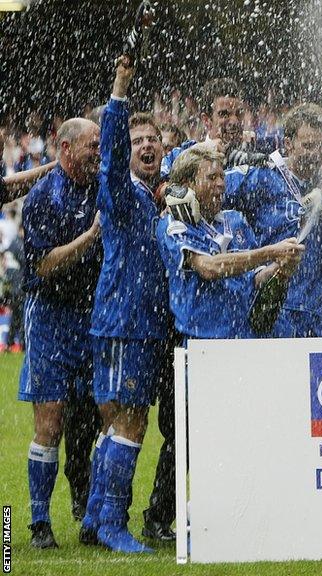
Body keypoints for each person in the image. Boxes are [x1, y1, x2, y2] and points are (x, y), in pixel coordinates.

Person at [78, 57, 175, 553]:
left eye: (153, 139)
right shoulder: (119, 189)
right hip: (125, 322)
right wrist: (119, 92)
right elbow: (111, 152)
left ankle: (95, 519)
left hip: (135, 323)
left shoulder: (153, 198)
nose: (148, 146)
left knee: (118, 420)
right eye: (138, 142)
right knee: (131, 419)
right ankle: (114, 522)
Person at [18, 117, 103, 549]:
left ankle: (91, 513)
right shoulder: (42, 198)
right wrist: (90, 237)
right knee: (50, 420)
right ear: (65, 149)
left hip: (92, 315)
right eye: (91, 146)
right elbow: (44, 266)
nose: (97, 152)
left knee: (94, 418)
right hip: (50, 314)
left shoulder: (101, 186)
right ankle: (36, 523)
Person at [157, 144, 304, 340]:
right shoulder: (174, 223)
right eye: (211, 177)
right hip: (204, 343)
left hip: (244, 341)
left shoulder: (235, 220)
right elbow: (209, 268)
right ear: (188, 184)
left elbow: (254, 279)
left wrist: (280, 268)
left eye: (222, 176)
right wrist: (271, 252)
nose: (221, 184)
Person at [225, 103, 322, 338]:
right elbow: (212, 189)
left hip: (315, 312)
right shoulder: (263, 175)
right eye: (308, 146)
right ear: (288, 144)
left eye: (321, 146)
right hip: (273, 308)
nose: (315, 153)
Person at [160, 78, 272, 178]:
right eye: (224, 114)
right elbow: (161, 186)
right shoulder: (187, 152)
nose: (234, 121)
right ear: (206, 120)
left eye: (238, 113)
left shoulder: (260, 148)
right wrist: (201, 153)